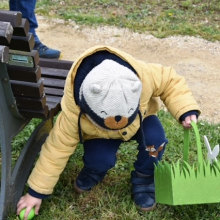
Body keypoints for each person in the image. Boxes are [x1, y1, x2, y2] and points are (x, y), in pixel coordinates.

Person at [16, 45, 200, 219]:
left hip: (141, 120)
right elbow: (55, 152)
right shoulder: (73, 115)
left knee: (155, 142)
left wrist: (185, 109)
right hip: (99, 133)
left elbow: (170, 81)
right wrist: (36, 192)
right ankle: (94, 171)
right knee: (99, 159)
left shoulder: (143, 77)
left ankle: (144, 178)